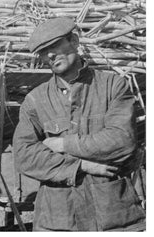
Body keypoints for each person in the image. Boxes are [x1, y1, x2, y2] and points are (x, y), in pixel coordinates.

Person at [12, 17, 145, 231]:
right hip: (59, 221)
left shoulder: (112, 86)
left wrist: (64, 144)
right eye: (44, 51)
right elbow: (24, 157)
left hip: (114, 218)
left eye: (54, 46)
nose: (50, 55)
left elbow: (122, 141)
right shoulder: (35, 100)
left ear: (73, 41)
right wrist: (83, 166)